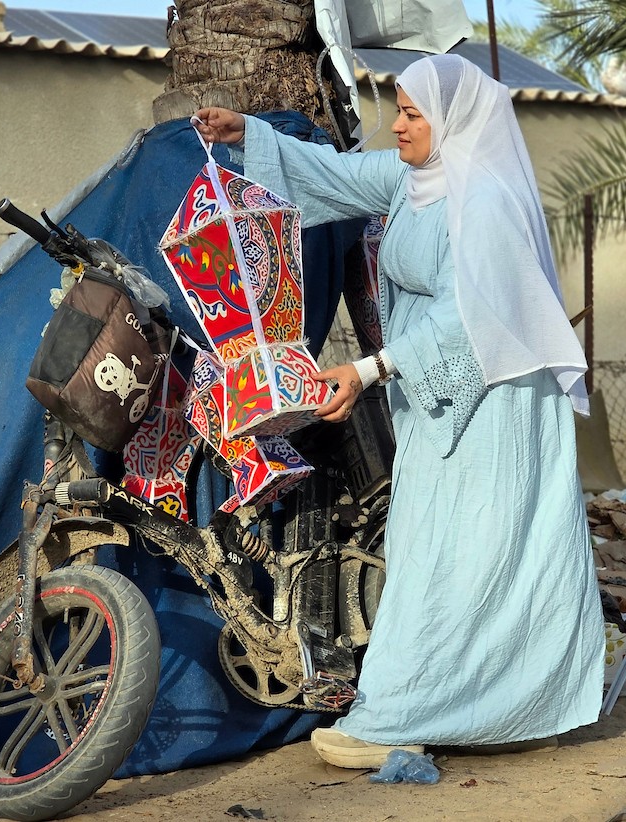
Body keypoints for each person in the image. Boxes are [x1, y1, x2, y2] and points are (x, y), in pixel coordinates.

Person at [194, 53, 603, 769]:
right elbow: (336, 178)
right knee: (455, 550)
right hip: (441, 393)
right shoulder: (415, 182)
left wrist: (369, 368)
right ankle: (496, 707)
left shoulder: (487, 203)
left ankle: (398, 714)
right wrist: (247, 135)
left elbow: (468, 319)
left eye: (413, 114)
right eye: (401, 110)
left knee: (466, 554)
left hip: (497, 404)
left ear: (453, 122)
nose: (398, 125)